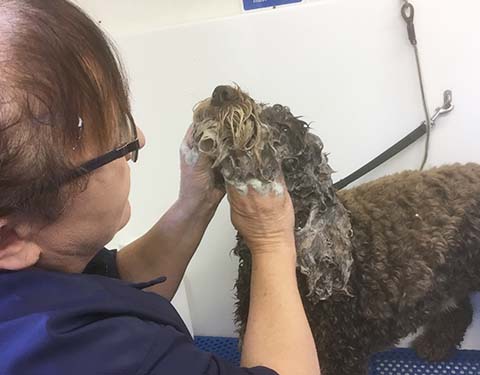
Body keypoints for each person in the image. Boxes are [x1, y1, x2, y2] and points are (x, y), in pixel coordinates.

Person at [0, 1, 321, 374]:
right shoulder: (91, 360)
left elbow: (110, 284)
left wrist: (195, 202)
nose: (139, 137)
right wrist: (271, 241)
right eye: (117, 140)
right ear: (10, 239)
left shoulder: (33, 277)